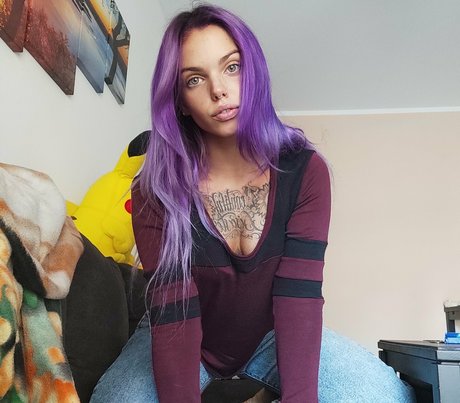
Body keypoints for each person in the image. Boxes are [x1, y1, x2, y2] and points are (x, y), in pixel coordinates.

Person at [90, 5, 415, 403]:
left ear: (254, 71)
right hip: (185, 334)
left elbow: (299, 296)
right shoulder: (154, 190)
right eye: (195, 79)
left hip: (270, 336)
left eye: (232, 67)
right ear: (179, 100)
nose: (219, 90)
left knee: (386, 395)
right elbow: (174, 312)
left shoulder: (305, 171)